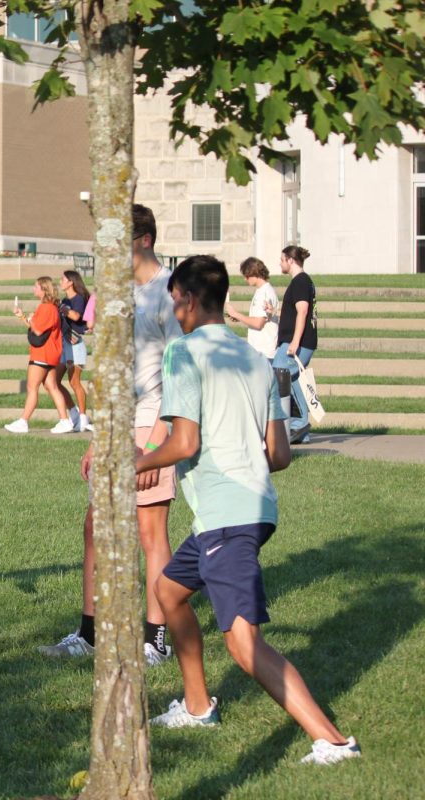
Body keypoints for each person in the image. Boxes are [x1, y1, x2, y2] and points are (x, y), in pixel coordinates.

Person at [138, 255, 361, 766]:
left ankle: (332, 740)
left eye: (175, 300)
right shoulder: (255, 360)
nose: (174, 310)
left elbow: (184, 440)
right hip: (253, 508)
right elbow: (280, 455)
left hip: (227, 515)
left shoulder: (182, 353)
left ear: (190, 301)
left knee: (243, 645)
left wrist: (140, 461)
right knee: (169, 592)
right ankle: (197, 706)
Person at [40, 204, 184, 665]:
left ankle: (155, 640)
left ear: (142, 241)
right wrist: (99, 438)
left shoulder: (169, 294)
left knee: (149, 532)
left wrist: (154, 445)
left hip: (152, 426)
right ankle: (91, 633)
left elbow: (179, 373)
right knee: (95, 527)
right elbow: (116, 372)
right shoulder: (119, 296)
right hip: (118, 425)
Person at [4, 277, 72, 434]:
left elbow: (38, 330)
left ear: (44, 289)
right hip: (51, 354)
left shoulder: (46, 308)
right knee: (52, 386)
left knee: (32, 387)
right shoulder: (51, 308)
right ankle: (64, 420)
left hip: (42, 354)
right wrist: (23, 317)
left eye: (36, 287)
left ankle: (24, 421)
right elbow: (38, 328)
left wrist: (32, 318)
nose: (34, 289)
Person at [272, 245, 317, 444]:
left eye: (282, 259)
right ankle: (301, 429)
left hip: (297, 343)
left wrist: (295, 341)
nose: (280, 263)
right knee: (294, 380)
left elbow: (303, 311)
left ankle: (294, 425)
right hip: (297, 342)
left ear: (290, 260)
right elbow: (294, 312)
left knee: (278, 373)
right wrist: (273, 313)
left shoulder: (300, 281)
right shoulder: (302, 281)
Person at [56, 270, 92, 432]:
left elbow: (77, 317)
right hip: (64, 346)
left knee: (74, 382)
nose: (60, 281)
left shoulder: (78, 299)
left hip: (76, 346)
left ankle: (83, 417)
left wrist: (62, 308)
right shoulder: (64, 300)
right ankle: (74, 413)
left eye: (63, 279)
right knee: (54, 382)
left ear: (71, 282)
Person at [225, 257, 279, 361]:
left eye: (246, 275)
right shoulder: (260, 291)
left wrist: (236, 314)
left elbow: (259, 323)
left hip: (264, 353)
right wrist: (239, 318)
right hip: (258, 352)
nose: (245, 279)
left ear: (254, 273)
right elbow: (257, 319)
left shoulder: (266, 293)